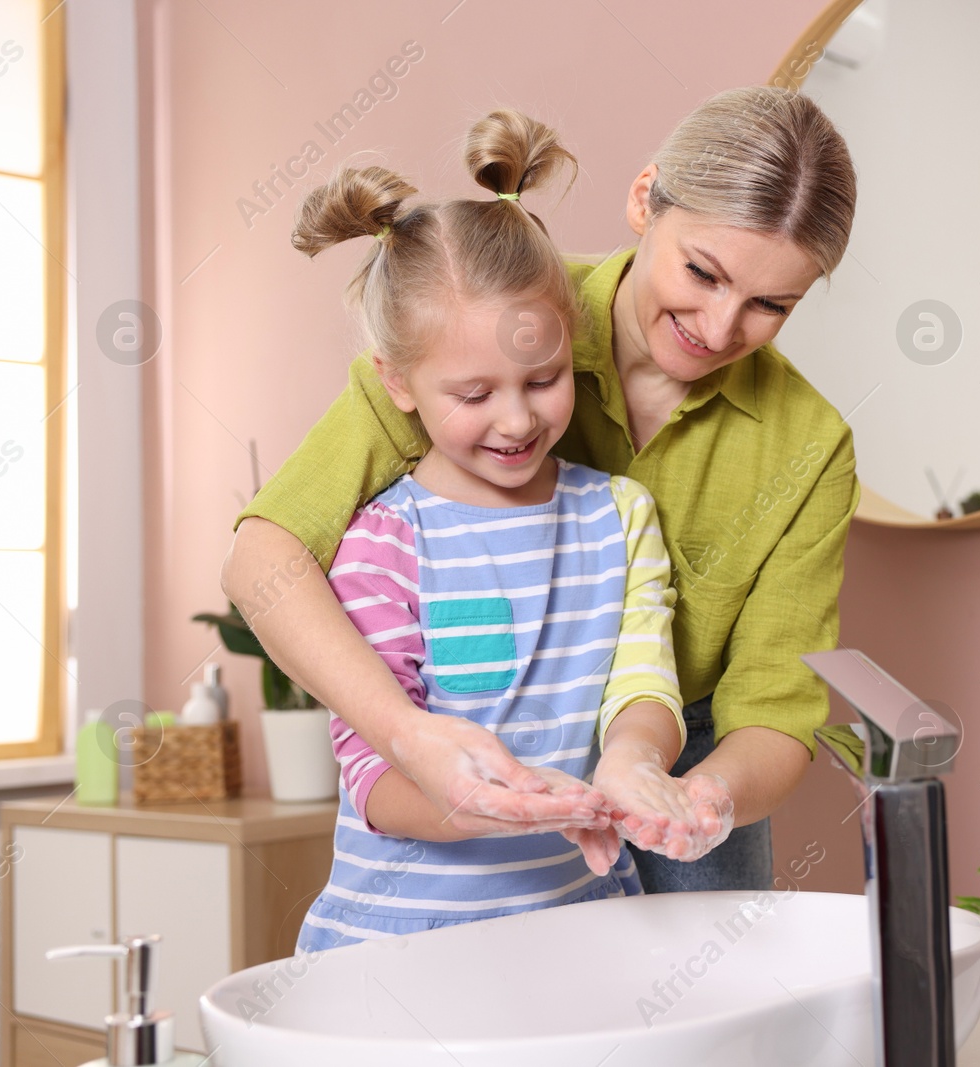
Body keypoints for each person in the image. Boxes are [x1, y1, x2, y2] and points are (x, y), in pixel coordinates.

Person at [224, 86, 860, 893]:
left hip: (686, 763)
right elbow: (263, 556)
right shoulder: (487, 309)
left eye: (772, 304)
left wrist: (695, 798)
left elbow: (775, 706)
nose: (720, 325)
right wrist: (407, 736)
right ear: (644, 200)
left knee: (706, 1005)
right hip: (467, 753)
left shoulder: (807, 445)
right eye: (702, 271)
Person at [291, 111, 731, 951]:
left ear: (577, 344)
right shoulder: (382, 543)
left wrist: (634, 760)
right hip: (396, 946)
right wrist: (491, 809)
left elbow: (644, 679)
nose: (519, 418)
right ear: (399, 383)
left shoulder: (618, 516)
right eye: (474, 393)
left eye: (545, 377)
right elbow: (375, 774)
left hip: (583, 935)